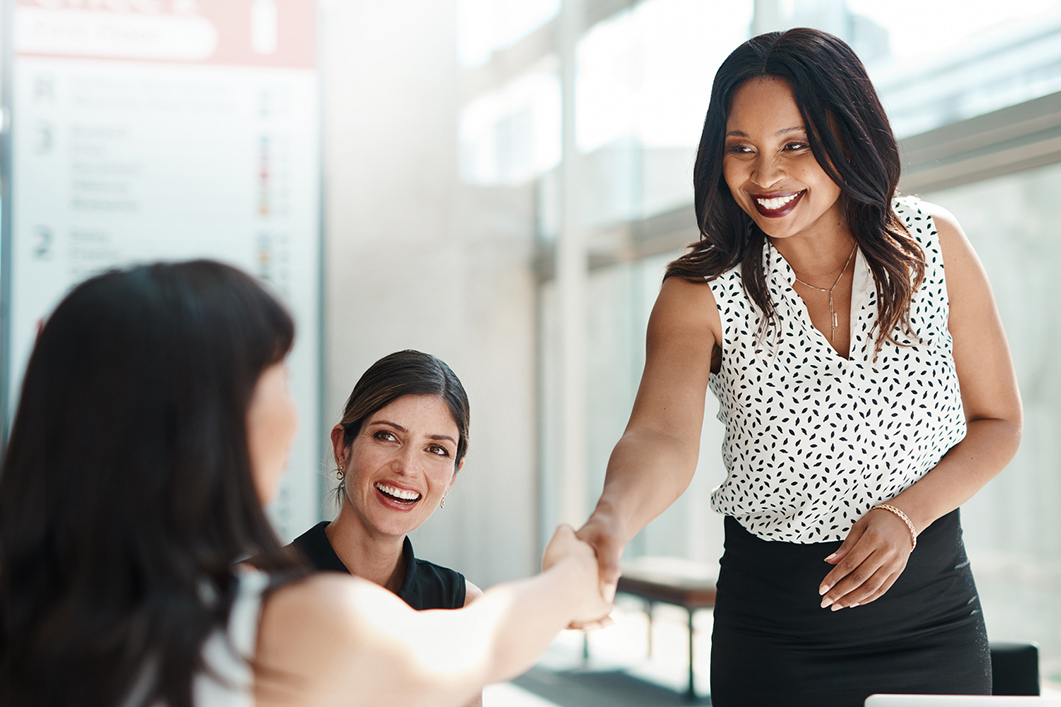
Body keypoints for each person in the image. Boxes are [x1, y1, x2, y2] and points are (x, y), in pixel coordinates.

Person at [561, 28, 1023, 706]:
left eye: (794, 145)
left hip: (931, 624)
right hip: (775, 635)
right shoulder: (699, 290)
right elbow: (658, 435)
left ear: (848, 136)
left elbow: (998, 422)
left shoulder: (933, 245)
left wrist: (905, 514)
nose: (765, 176)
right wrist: (609, 518)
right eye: (739, 149)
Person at [0, 260, 609, 707]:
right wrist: (570, 579)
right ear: (203, 426)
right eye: (278, 379)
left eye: (437, 450)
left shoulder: (42, 615)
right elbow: (473, 645)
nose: (293, 417)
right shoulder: (259, 620)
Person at [289, 350, 484, 707]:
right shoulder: (256, 591)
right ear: (342, 447)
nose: (408, 468)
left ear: (453, 476)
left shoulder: (461, 608)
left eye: (436, 449)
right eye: (387, 437)